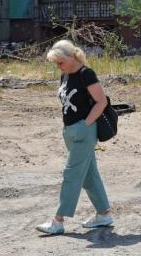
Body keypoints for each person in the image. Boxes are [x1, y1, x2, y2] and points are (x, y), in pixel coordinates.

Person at [36, 39, 114, 234]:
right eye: (56, 63)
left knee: (71, 174)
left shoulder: (85, 74)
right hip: (70, 132)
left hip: (84, 132)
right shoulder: (65, 74)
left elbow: (101, 101)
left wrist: (85, 125)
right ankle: (104, 214)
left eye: (60, 62)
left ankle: (58, 221)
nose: (58, 66)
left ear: (72, 57)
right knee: (88, 175)